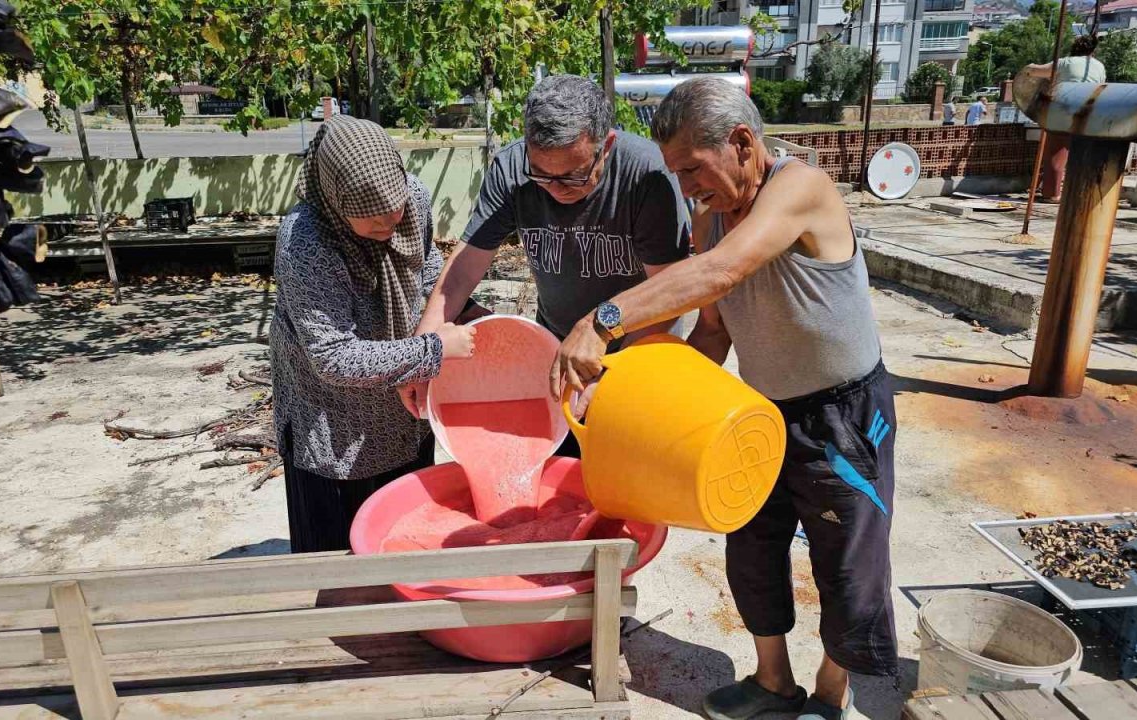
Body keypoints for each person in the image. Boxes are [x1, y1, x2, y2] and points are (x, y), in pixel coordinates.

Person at [551, 77, 896, 720]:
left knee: (849, 564)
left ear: (740, 142)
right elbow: (711, 329)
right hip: (758, 409)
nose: (684, 189)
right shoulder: (711, 218)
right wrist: (637, 394)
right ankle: (772, 682)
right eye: (675, 173)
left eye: (690, 169)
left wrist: (602, 321)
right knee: (751, 546)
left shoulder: (802, 188)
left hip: (845, 416)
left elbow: (722, 271)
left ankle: (830, 694)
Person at [405, 74, 691, 456]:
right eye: (542, 174)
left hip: (639, 351)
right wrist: (423, 353)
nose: (555, 189)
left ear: (605, 146)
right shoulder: (511, 168)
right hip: (557, 352)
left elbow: (670, 295)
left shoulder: (648, 176)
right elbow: (461, 273)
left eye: (573, 176)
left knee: (630, 481)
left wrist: (612, 377)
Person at [271, 116, 478, 553]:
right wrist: (433, 349)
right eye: (371, 221)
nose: (390, 225)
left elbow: (427, 277)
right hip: (332, 420)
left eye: (395, 210)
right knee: (335, 563)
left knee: (402, 538)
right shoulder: (305, 241)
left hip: (402, 406)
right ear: (336, 205)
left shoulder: (414, 200)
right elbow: (332, 357)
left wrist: (467, 317)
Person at [1025, 34, 1107, 203]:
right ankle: (1081, 193)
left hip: (1064, 110)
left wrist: (1030, 66)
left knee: (1057, 153)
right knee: (1083, 155)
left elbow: (1033, 71)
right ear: (1093, 51)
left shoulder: (1065, 63)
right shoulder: (1099, 66)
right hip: (1090, 112)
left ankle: (1052, 193)